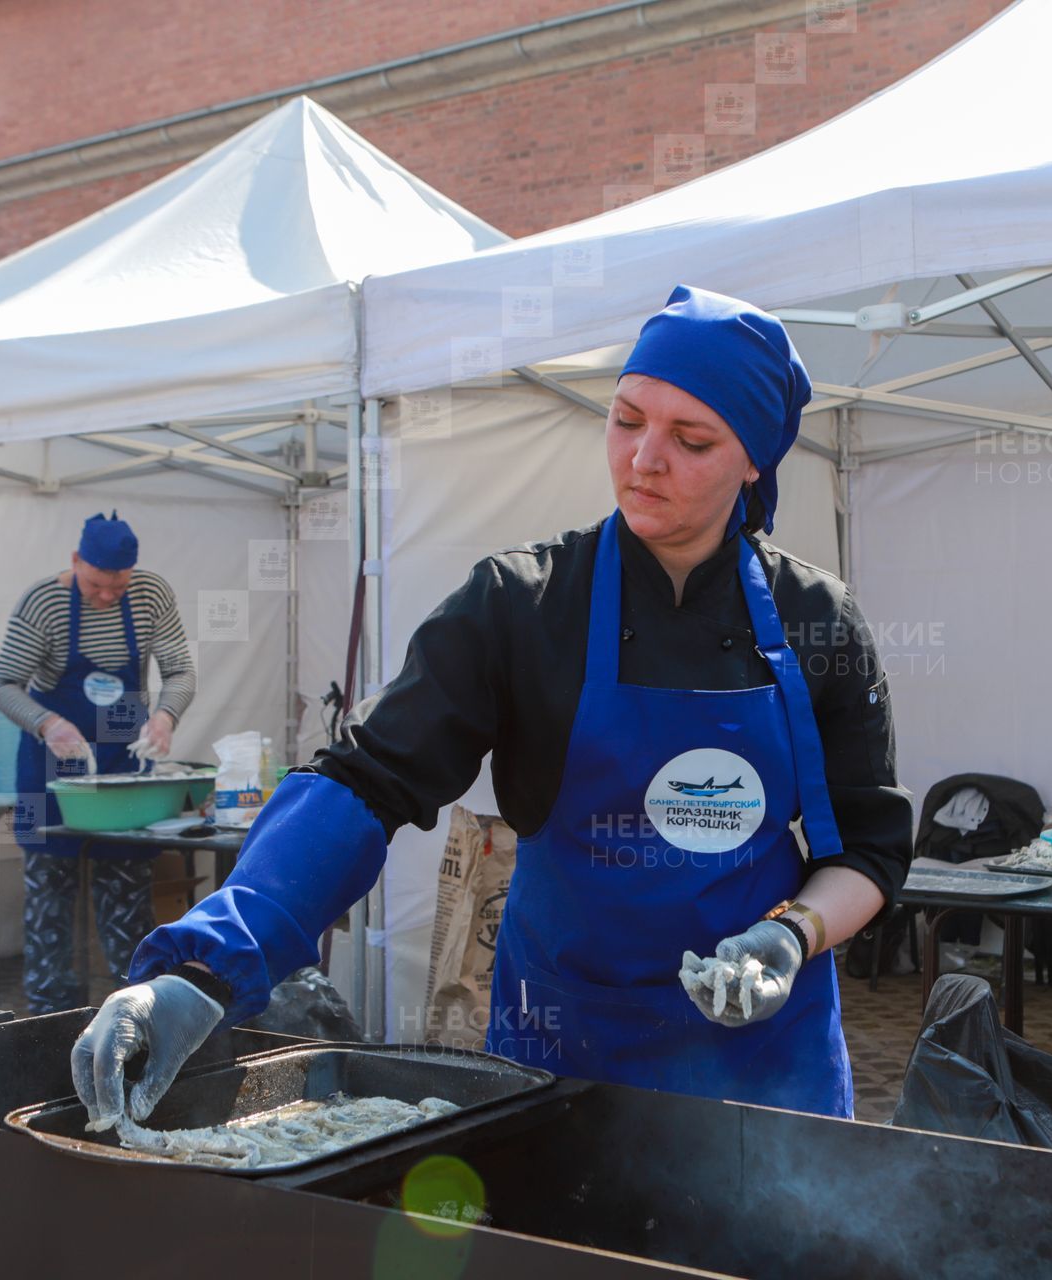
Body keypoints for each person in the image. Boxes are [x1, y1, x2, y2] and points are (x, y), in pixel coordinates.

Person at [71, 285, 913, 1128]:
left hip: (762, 1063)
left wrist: (791, 935)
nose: (644, 458)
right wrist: (204, 969)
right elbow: (367, 781)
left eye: (691, 439)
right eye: (626, 420)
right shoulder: (522, 605)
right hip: (570, 1042)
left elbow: (869, 851)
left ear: (754, 459)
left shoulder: (813, 620)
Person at [0, 512, 195, 1014]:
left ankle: (136, 1013)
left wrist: (166, 717)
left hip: (125, 765)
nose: (108, 596)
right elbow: (4, 687)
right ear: (75, 561)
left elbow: (179, 671)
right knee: (49, 901)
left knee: (126, 900)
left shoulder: (151, 594)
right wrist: (48, 724)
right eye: (96, 585)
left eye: (118, 587)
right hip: (49, 768)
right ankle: (49, 1018)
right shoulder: (43, 602)